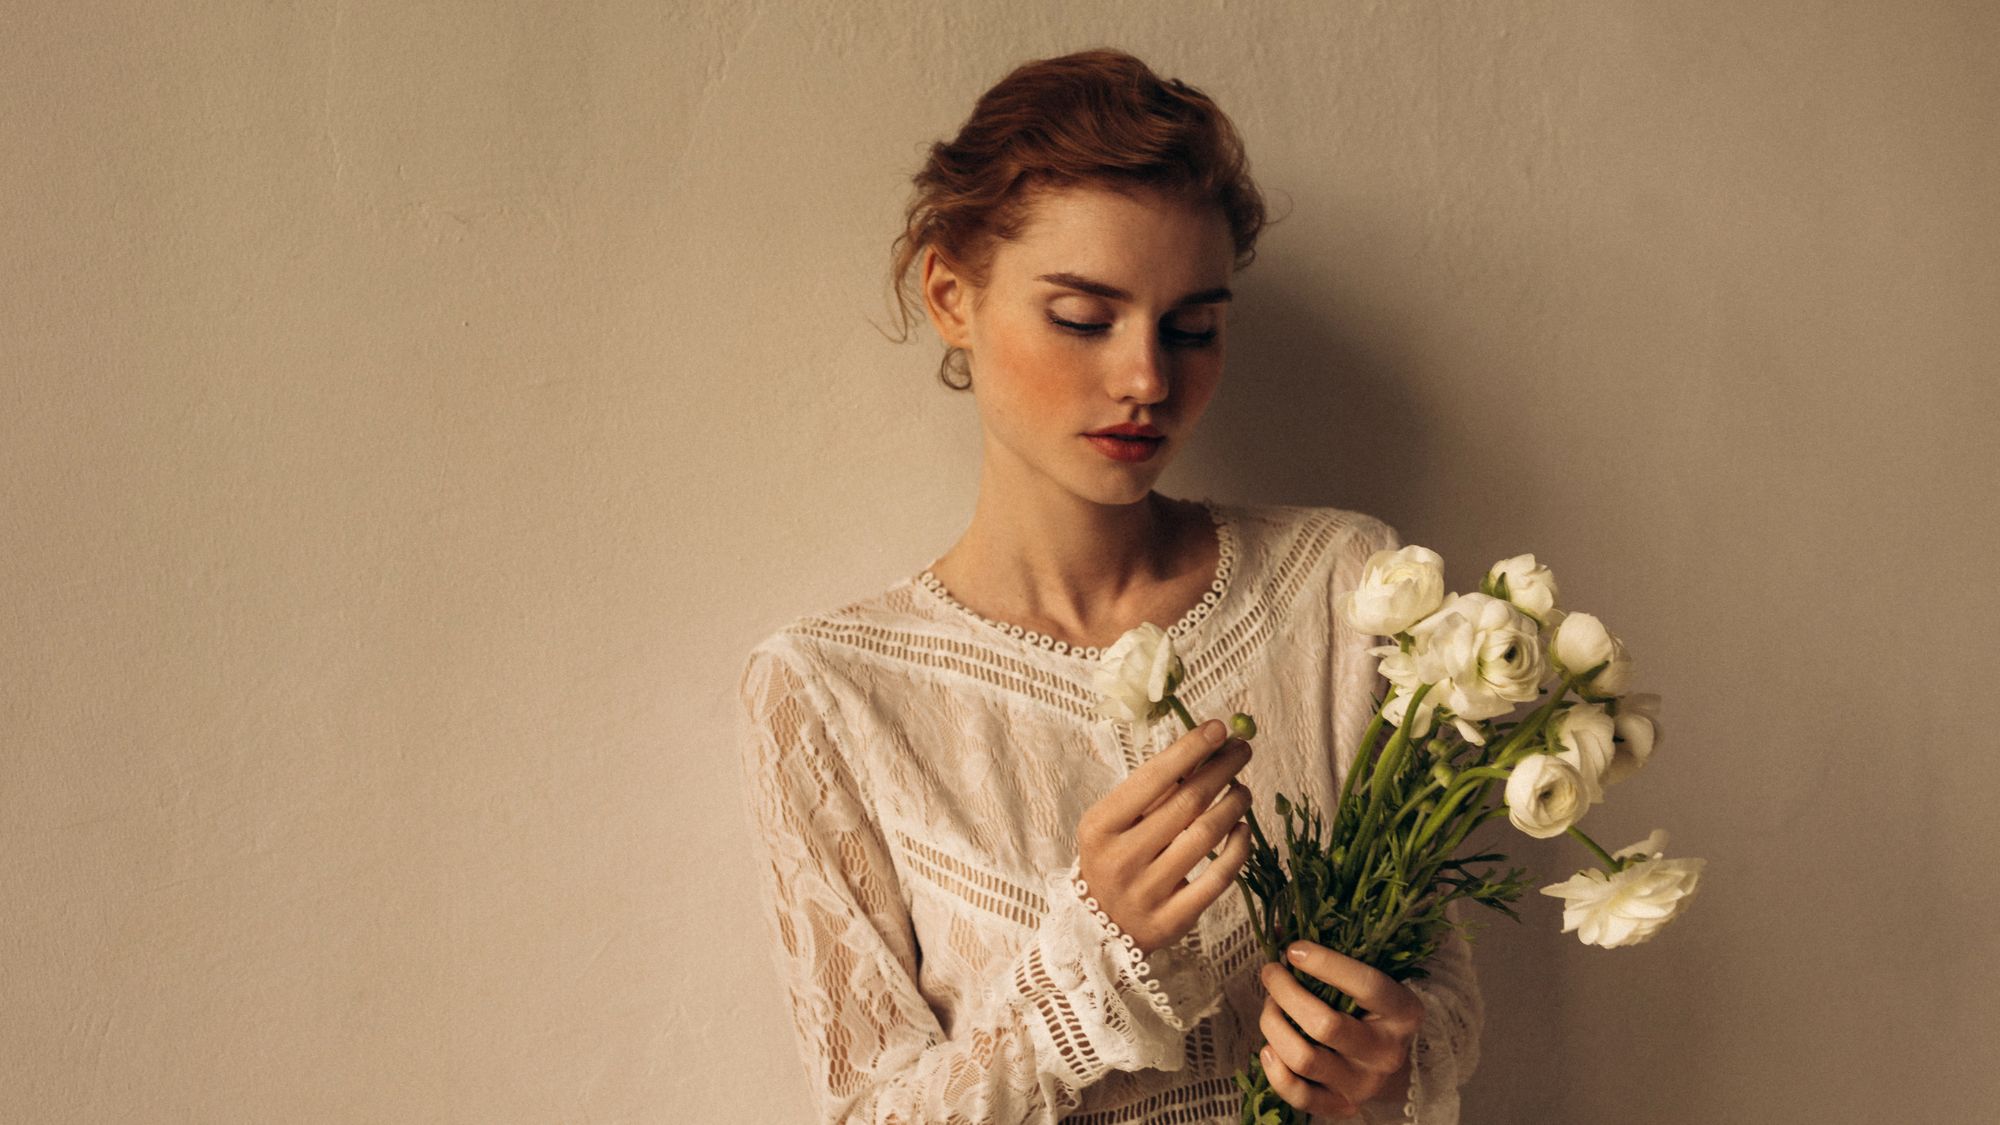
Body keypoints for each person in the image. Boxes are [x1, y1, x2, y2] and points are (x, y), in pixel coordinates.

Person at [735, 48, 1481, 1124]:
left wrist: (1385, 1065)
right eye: (1082, 318)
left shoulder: (1344, 592)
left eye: (1192, 328)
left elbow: (1442, 1004)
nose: (1146, 379)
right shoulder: (828, 696)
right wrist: (1091, 967)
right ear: (951, 295)